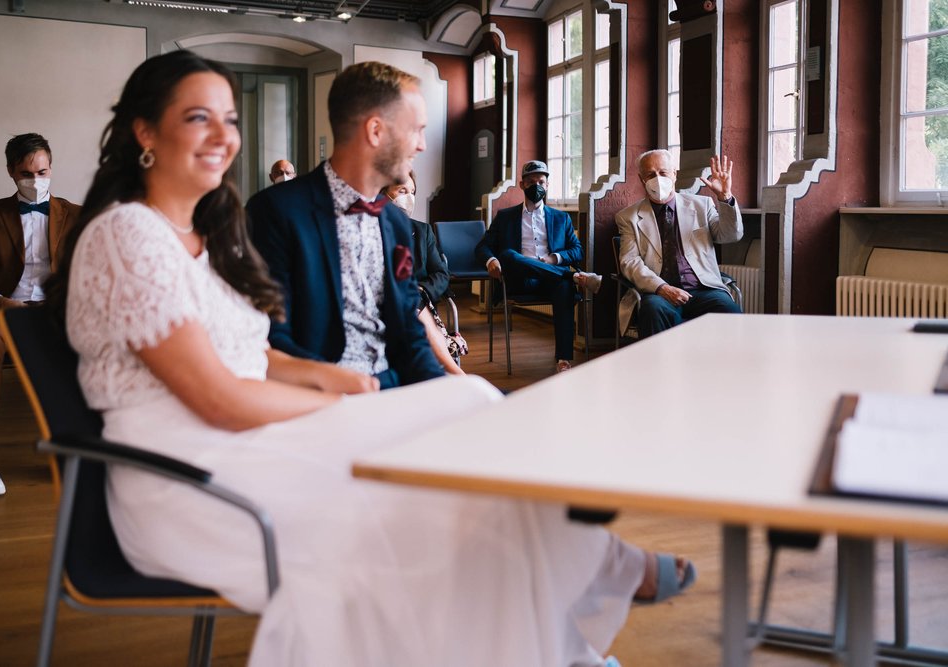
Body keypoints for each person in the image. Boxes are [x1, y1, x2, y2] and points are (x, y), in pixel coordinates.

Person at [49, 51, 695, 666]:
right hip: (193, 473)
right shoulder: (129, 234)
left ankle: (563, 634)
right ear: (144, 131)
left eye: (231, 119)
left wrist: (342, 380)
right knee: (455, 483)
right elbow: (217, 394)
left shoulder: (211, 235)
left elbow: (256, 353)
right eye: (199, 117)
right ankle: (589, 580)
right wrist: (345, 396)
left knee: (470, 416)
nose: (223, 134)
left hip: (256, 431)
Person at [247, 62, 444, 389]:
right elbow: (271, 337)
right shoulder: (276, 211)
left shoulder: (395, 221)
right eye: (416, 129)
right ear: (375, 131)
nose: (422, 145)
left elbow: (410, 333)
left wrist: (446, 393)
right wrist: (343, 386)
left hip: (395, 384)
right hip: (319, 394)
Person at [0, 133, 80, 497]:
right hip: (5, 310)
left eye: (42, 171)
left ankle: (74, 446)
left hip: (56, 312)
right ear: (11, 172)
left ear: (51, 168)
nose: (36, 180)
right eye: (26, 173)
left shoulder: (74, 214)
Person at [475, 160, 599, 374]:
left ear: (547, 185)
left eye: (541, 181)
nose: (536, 186)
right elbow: (483, 247)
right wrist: (491, 261)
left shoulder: (561, 218)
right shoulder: (505, 217)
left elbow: (577, 250)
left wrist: (554, 258)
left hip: (552, 281)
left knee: (564, 289)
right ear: (522, 185)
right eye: (531, 182)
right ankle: (573, 277)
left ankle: (563, 359)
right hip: (520, 280)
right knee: (508, 255)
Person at [615, 149, 742, 338]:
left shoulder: (702, 205)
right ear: (642, 180)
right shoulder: (628, 217)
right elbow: (629, 261)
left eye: (663, 172)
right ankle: (662, 366)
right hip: (660, 291)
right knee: (652, 310)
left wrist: (725, 197)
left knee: (729, 310)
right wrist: (662, 288)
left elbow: (731, 235)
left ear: (674, 174)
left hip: (703, 288)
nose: (657, 179)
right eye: (650, 174)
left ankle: (724, 367)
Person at [382, 172, 466, 375]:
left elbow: (441, 274)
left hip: (421, 304)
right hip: (387, 305)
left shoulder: (422, 231)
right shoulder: (371, 229)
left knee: (412, 296)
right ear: (383, 194)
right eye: (402, 191)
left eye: (412, 192)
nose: (409, 197)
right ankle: (453, 371)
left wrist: (421, 290)